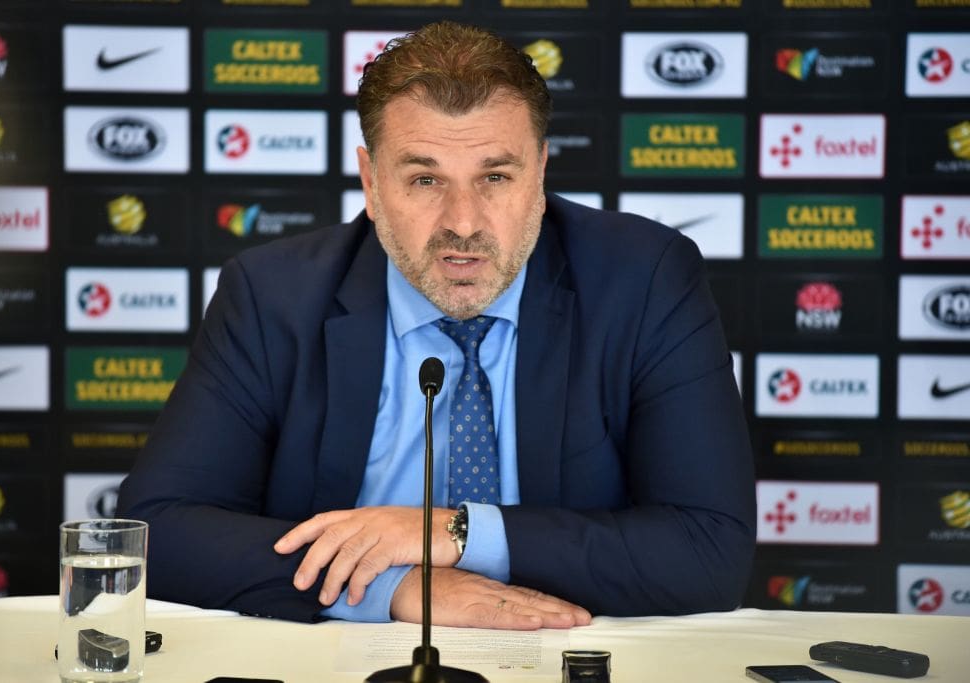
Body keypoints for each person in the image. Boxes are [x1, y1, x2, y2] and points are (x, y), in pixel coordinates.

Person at [117, 21, 755, 631]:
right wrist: (397, 587)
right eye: (425, 179)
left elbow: (709, 549)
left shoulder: (642, 280)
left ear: (540, 174)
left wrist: (455, 533)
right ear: (371, 182)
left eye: (496, 177)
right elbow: (159, 531)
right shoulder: (273, 294)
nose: (464, 223)